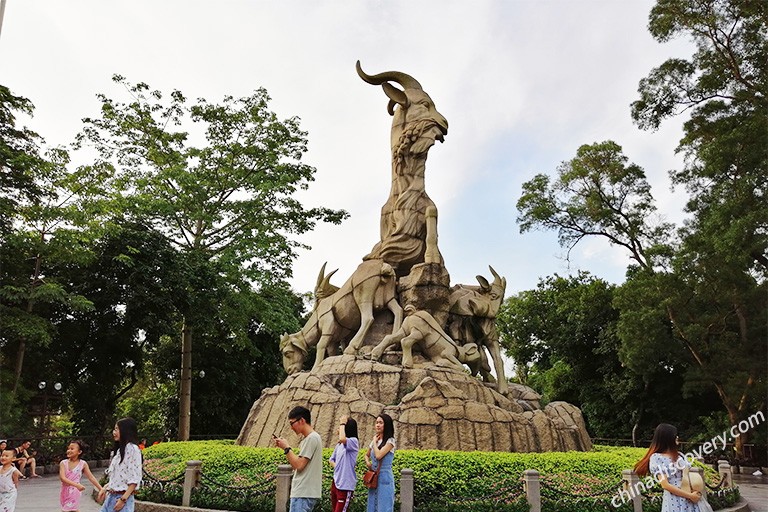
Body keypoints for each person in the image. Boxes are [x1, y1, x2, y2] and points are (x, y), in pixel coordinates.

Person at [634, 423, 701, 512]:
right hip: (674, 499)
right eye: (674, 435)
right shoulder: (657, 458)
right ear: (667, 438)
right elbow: (665, 485)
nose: (677, 437)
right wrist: (689, 496)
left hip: (689, 499)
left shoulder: (680, 455)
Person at [274, 406, 323, 512]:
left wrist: (286, 448)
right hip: (305, 493)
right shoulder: (311, 438)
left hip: (303, 493)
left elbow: (299, 465)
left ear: (301, 420)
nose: (291, 427)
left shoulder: (312, 438)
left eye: (292, 423)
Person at [97, 418, 142, 512]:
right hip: (111, 498)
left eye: (117, 429)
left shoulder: (132, 449)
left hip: (122, 499)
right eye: (114, 429)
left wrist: (123, 500)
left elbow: (134, 479)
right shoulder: (119, 451)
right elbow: (120, 477)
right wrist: (106, 487)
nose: (114, 432)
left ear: (126, 430)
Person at [60, 440, 103, 512]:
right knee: (72, 510)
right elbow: (62, 478)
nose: (69, 450)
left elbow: (91, 477)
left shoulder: (82, 464)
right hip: (64, 491)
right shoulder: (63, 463)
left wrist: (100, 488)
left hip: (75, 491)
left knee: (67, 510)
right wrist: (77, 485)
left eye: (72, 449)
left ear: (79, 452)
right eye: (68, 448)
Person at [365, 414, 396, 512]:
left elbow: (379, 455)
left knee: (384, 505)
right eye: (377, 422)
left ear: (386, 425)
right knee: (372, 505)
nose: (378, 425)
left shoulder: (390, 441)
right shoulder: (375, 441)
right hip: (374, 477)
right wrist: (368, 463)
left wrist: (374, 442)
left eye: (381, 423)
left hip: (385, 476)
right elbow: (366, 455)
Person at [329, 415, 359, 512]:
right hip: (336, 482)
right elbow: (331, 460)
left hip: (345, 485)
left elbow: (342, 438)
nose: (339, 428)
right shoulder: (339, 445)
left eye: (341, 426)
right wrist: (338, 467)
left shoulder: (354, 442)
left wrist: (342, 422)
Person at [0, 447, 22, 512]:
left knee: (4, 509)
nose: (3, 457)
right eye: (2, 455)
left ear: (13, 459)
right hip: (1, 493)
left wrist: (14, 491)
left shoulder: (13, 470)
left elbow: (16, 482)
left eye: (6, 456)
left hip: (9, 494)